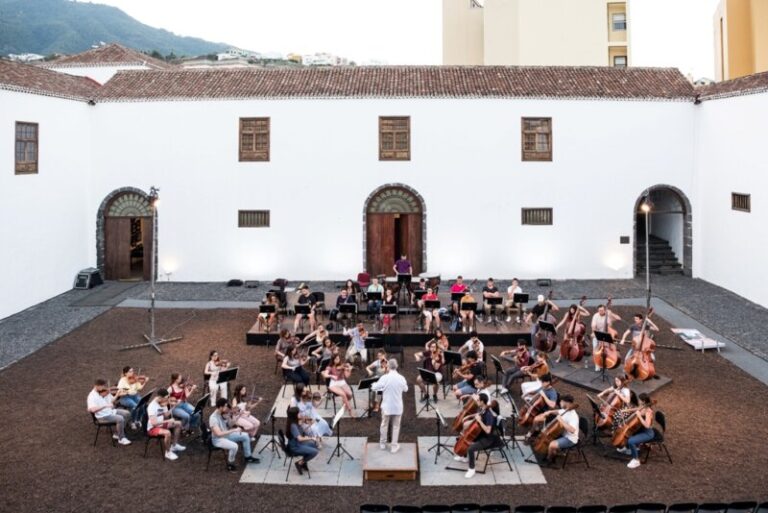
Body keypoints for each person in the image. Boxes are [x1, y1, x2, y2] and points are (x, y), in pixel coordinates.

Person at [454, 393, 501, 479]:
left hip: (488, 439)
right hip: (480, 434)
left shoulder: (489, 415)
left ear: (482, 401)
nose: (477, 401)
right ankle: (464, 457)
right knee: (467, 438)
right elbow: (478, 415)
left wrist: (479, 421)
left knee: (470, 448)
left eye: (478, 400)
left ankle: (472, 469)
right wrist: (469, 416)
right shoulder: (482, 408)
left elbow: (488, 430)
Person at [209, 398, 259, 472]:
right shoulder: (213, 418)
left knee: (245, 436)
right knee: (234, 446)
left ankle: (248, 457)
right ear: (220, 407)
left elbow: (229, 425)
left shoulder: (223, 414)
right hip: (218, 439)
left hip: (226, 435)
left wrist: (234, 418)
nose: (227, 408)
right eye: (225, 406)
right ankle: (230, 463)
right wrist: (233, 430)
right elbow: (218, 434)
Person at [371, 359, 408, 453]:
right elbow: (406, 389)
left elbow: (375, 387)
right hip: (397, 407)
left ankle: (382, 444)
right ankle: (394, 447)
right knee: (396, 426)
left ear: (388, 366)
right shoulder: (401, 378)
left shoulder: (384, 378)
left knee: (384, 424)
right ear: (397, 366)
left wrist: (373, 383)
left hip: (386, 406)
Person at [531, 394, 579, 464]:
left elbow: (572, 430)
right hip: (562, 433)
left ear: (567, 403)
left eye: (561, 402)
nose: (559, 403)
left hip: (570, 438)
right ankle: (555, 452)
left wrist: (561, 420)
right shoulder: (566, 409)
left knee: (552, 445)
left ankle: (549, 459)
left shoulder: (573, 416)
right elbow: (558, 411)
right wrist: (550, 412)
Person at [617, 393, 656, 469]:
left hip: (647, 433)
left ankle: (636, 460)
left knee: (631, 441)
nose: (638, 400)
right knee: (629, 432)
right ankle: (628, 449)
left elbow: (647, 425)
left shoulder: (648, 411)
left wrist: (639, 416)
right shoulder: (643, 406)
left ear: (644, 401)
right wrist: (625, 410)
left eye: (639, 400)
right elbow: (636, 409)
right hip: (640, 429)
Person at [87, 379, 131, 445]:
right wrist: (105, 406)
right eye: (103, 386)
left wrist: (117, 394)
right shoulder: (92, 396)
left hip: (110, 411)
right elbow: (92, 409)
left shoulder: (104, 392)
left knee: (127, 413)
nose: (104, 388)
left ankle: (117, 434)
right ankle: (121, 438)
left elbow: (112, 400)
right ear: (97, 386)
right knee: (120, 418)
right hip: (102, 416)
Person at [146, 388, 185, 461]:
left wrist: (174, 406)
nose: (168, 400)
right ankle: (168, 452)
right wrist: (168, 421)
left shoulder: (162, 403)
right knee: (167, 433)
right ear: (160, 398)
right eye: (166, 398)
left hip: (161, 424)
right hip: (152, 428)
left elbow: (166, 415)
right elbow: (153, 423)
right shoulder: (152, 407)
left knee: (178, 423)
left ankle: (174, 445)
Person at [286, 406, 320, 475]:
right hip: (295, 447)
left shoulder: (294, 422)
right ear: (295, 415)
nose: (301, 414)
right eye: (299, 413)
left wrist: (309, 425)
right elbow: (300, 438)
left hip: (298, 443)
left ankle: (304, 462)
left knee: (313, 444)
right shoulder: (293, 426)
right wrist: (311, 438)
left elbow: (301, 433)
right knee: (315, 452)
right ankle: (299, 463)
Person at [591, 304, 623, 371]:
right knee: (595, 349)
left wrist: (611, 313)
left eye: (602, 310)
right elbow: (593, 327)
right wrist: (595, 333)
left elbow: (619, 318)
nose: (601, 311)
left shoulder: (608, 315)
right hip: (598, 333)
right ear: (598, 310)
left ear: (605, 310)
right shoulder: (595, 316)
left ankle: (607, 363)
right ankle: (597, 365)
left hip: (607, 334)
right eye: (599, 310)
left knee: (607, 350)